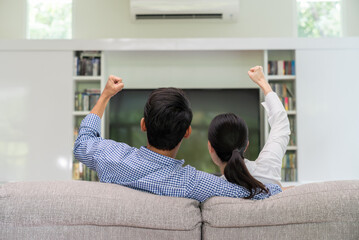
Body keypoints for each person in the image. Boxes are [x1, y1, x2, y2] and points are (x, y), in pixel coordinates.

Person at [73, 68, 282, 203]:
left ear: (143, 125)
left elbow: (83, 142)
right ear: (187, 132)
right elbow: (257, 193)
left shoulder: (112, 157)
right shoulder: (196, 183)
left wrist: (105, 95)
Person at [207, 66, 291, 198]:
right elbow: (281, 124)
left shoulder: (212, 192)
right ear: (246, 145)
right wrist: (262, 82)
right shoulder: (268, 169)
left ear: (210, 147)